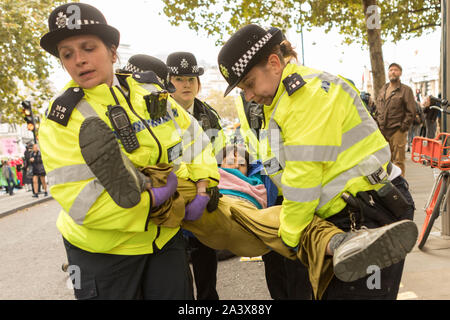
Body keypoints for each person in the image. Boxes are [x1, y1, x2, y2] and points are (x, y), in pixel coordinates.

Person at [217, 24, 417, 299]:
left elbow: (303, 179)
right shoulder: (276, 105)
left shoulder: (306, 96)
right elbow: (280, 168)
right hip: (346, 214)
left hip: (369, 214)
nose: (248, 95)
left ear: (274, 63)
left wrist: (286, 236)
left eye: (249, 84)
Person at [38, 2, 219, 300]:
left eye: (88, 48)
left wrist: (203, 185)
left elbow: (194, 138)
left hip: (165, 240)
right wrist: (150, 203)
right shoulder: (63, 118)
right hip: (103, 254)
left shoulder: (149, 91)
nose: (79, 60)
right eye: (67, 54)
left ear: (112, 51)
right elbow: (79, 199)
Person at [234, 91, 314, 299]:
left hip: (294, 190)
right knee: (273, 261)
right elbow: (250, 141)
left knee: (298, 261)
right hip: (266, 193)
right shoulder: (241, 98)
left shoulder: (285, 92)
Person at [166, 51, 227, 300]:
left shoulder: (209, 116)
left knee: (206, 265)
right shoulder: (154, 112)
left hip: (204, 198)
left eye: (191, 78)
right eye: (179, 78)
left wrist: (211, 185)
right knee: (176, 271)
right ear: (167, 81)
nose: (187, 84)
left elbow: (219, 155)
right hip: (172, 199)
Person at [374, 62, 416, 176]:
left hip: (397, 130)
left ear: (400, 73)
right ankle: (389, 186)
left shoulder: (406, 90)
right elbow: (378, 108)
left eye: (396, 70)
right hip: (383, 131)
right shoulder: (383, 89)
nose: (393, 72)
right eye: (391, 70)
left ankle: (401, 187)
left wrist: (403, 128)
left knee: (398, 161)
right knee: (385, 160)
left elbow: (411, 111)